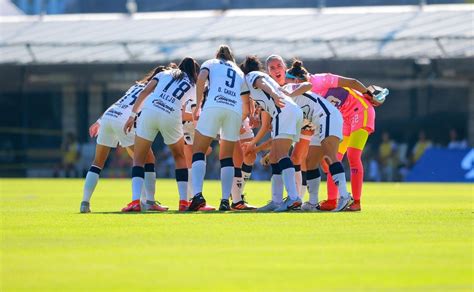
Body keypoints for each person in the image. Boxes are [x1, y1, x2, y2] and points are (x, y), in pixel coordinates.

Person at [286, 59, 385, 211]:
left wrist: (368, 94)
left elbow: (351, 82)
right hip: (343, 118)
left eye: (291, 82)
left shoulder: (319, 80)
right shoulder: (304, 94)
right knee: (332, 159)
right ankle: (332, 200)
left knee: (353, 156)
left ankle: (356, 202)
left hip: (361, 110)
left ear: (298, 80)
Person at [80, 67, 163, 213]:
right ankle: (148, 202)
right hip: (124, 121)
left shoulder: (137, 86)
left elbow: (121, 102)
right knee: (148, 160)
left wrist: (99, 120)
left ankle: (84, 203)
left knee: (97, 163)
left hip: (109, 116)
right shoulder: (156, 91)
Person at [122, 57, 200, 212]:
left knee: (138, 158)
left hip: (150, 111)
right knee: (179, 156)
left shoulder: (165, 73)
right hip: (171, 114)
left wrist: (132, 115)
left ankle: (136, 201)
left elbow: (145, 91)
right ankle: (184, 201)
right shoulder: (193, 83)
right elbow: (193, 111)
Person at [188, 45, 250, 211]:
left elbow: (201, 78)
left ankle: (198, 196)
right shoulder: (239, 71)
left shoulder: (211, 62)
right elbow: (246, 104)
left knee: (199, 150)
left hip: (214, 105)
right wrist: (242, 120)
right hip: (234, 111)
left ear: (217, 55)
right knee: (227, 157)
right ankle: (224, 200)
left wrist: (198, 104)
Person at [282, 73, 353, 212]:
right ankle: (313, 202)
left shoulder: (287, 88)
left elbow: (308, 85)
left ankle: (345, 196)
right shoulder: (279, 103)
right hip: (316, 122)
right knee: (311, 162)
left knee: (330, 156)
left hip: (327, 116)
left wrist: (289, 95)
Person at [240, 55, 303, 212]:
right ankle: (276, 201)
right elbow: (266, 125)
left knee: (281, 156)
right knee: (274, 158)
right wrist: (253, 145)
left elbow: (260, 83)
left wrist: (274, 96)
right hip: (290, 111)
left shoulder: (251, 76)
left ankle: (294, 198)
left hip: (284, 111)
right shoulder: (266, 85)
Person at [265, 55, 313, 199]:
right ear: (268, 72)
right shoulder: (269, 89)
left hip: (307, 123)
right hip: (290, 126)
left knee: (297, 158)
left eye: (279, 66)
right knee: (282, 158)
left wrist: (290, 94)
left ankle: (298, 198)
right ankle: (285, 199)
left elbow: (308, 85)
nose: (276, 70)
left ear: (285, 69)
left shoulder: (289, 84)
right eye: (272, 68)